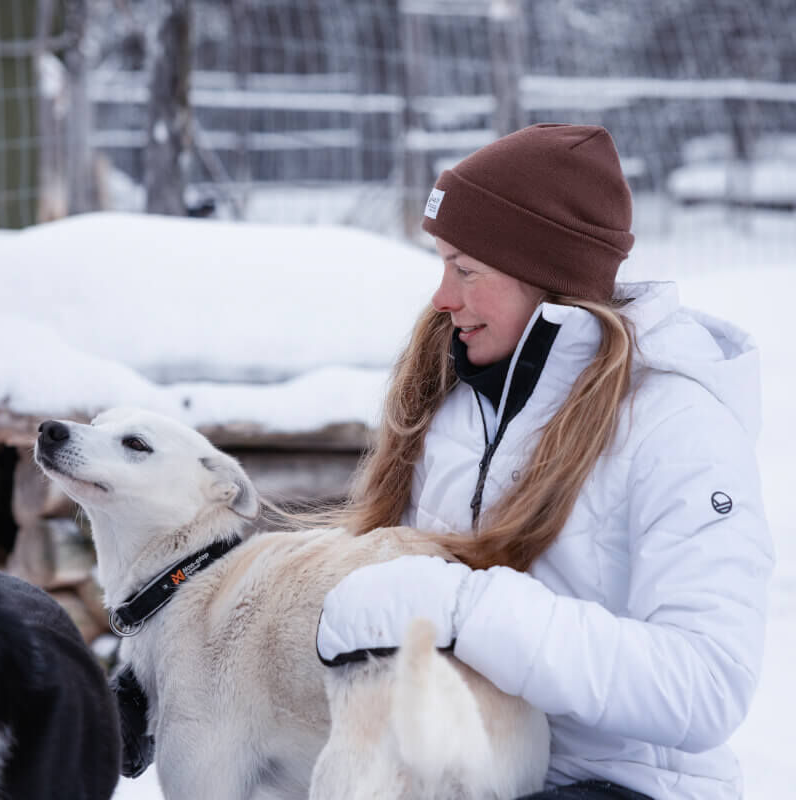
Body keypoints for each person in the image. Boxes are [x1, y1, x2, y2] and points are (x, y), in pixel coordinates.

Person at [315, 123, 774, 799]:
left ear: (545, 272)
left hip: (624, 784)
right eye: (441, 264)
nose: (443, 296)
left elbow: (707, 684)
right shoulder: (455, 401)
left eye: (466, 269)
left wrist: (463, 608)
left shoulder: (679, 427)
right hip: (463, 768)